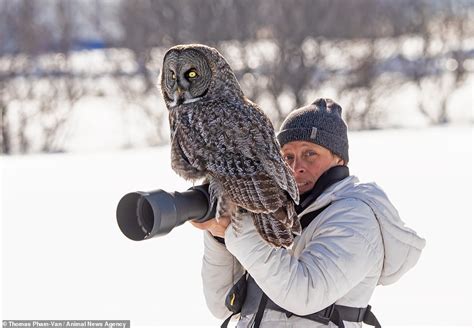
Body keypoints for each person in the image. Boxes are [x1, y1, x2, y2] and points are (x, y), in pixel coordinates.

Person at [191, 98, 425, 328]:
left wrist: (238, 233)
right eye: (287, 157)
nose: (295, 167)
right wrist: (220, 237)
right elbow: (222, 305)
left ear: (339, 158)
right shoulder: (276, 216)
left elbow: (305, 294)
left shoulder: (356, 217)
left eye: (310, 154)